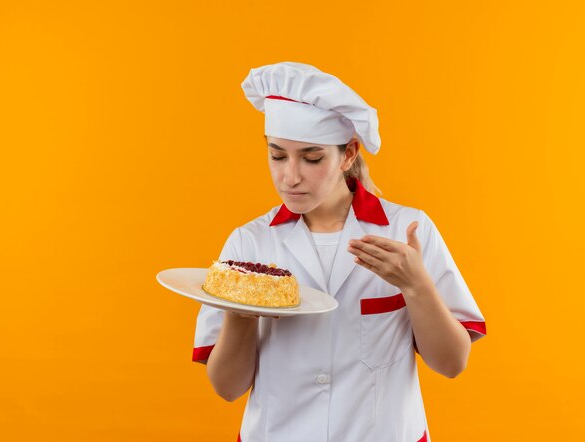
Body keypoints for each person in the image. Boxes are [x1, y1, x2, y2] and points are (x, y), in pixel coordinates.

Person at [192, 61, 486, 442]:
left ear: (347, 154)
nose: (290, 176)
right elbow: (227, 389)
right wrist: (241, 313)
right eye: (278, 156)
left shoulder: (407, 232)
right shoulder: (249, 244)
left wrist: (416, 287)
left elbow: (451, 364)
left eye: (312, 158)